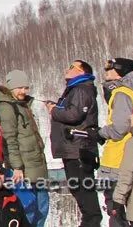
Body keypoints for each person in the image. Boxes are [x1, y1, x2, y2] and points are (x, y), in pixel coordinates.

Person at [47, 59, 101, 227]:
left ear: (81, 72)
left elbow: (74, 115)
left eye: (72, 67)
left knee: (84, 194)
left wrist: (53, 110)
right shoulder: (75, 89)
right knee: (79, 192)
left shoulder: (81, 88)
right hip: (73, 149)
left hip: (78, 149)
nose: (67, 69)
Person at [0, 70, 49, 227]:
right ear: (10, 87)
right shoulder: (6, 108)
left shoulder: (21, 105)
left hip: (34, 164)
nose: (23, 91)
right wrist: (16, 167)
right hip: (22, 168)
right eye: (20, 88)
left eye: (26, 87)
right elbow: (8, 139)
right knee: (29, 209)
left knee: (41, 207)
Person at [96, 57, 133, 227]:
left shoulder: (122, 93)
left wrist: (100, 132)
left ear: (120, 73)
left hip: (117, 158)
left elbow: (119, 129)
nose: (106, 72)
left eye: (110, 69)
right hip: (131, 155)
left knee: (115, 210)